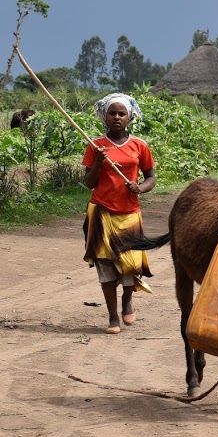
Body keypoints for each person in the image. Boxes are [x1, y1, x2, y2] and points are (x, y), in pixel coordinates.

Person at [82, 93, 157, 334]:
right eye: (112, 113)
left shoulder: (140, 146)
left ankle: (127, 299)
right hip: (102, 212)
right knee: (106, 265)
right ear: (105, 116)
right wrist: (98, 164)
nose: (116, 117)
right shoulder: (95, 146)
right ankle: (113, 317)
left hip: (130, 213)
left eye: (121, 113)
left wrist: (140, 188)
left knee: (131, 266)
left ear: (129, 117)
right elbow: (88, 183)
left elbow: (151, 177)